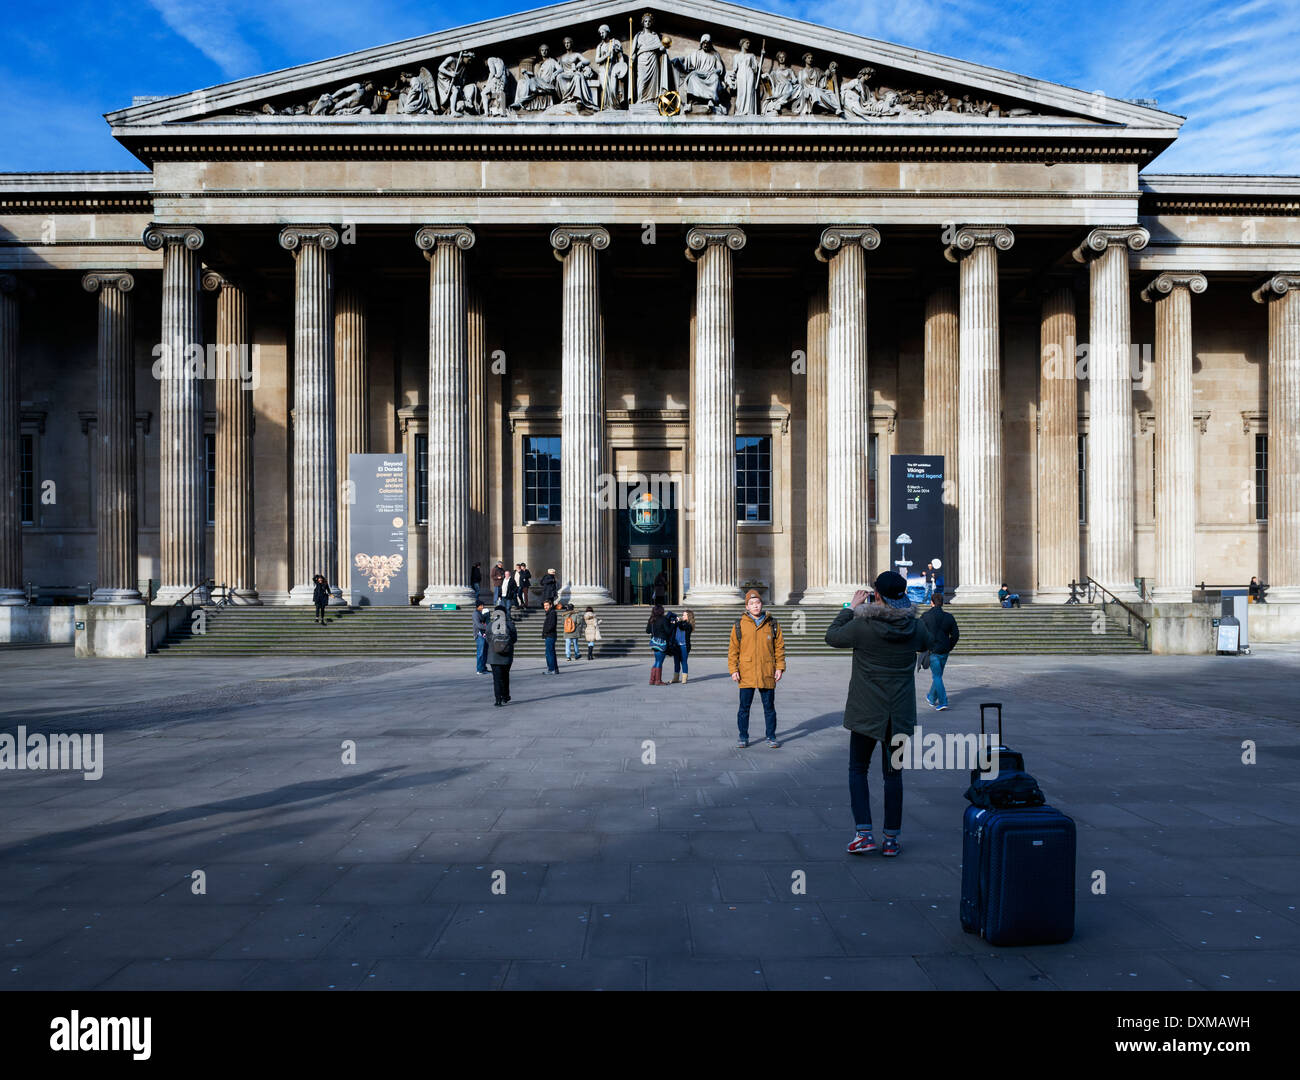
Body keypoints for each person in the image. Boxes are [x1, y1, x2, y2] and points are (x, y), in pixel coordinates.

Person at [825, 571, 931, 858]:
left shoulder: (863, 625)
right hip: (899, 714)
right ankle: (891, 839)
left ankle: (863, 834)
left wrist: (850, 607)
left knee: (858, 770)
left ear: (877, 595)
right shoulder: (915, 627)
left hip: (866, 712)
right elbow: (927, 642)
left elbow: (832, 637)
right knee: (893, 776)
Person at [728, 589, 785, 748]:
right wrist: (733, 669)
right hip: (746, 673)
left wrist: (779, 667)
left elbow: (779, 647)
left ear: (762, 604)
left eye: (758, 602)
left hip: (767, 672)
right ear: (747, 606)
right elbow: (733, 649)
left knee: (769, 708)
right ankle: (743, 736)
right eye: (751, 603)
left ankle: (771, 736)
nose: (755, 606)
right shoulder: (739, 624)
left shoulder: (772, 623)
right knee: (744, 708)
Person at [920, 593, 959, 712]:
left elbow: (920, 633)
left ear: (932, 602)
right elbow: (956, 635)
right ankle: (931, 697)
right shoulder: (949, 617)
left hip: (932, 650)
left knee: (937, 676)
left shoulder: (925, 616)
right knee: (938, 676)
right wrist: (949, 646)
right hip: (944, 650)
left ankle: (943, 702)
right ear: (941, 603)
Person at [486, 603, 518, 706]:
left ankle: (498, 699)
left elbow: (488, 639)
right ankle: (505, 696)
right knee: (505, 676)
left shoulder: (490, 625)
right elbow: (514, 639)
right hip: (506, 656)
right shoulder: (510, 624)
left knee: (496, 678)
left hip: (494, 656)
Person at [646, 603, 673, 685]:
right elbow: (668, 631)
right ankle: (658, 681)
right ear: (661, 611)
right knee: (659, 662)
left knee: (657, 661)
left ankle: (652, 680)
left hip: (654, 643)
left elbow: (647, 631)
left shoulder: (651, 619)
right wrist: (672, 624)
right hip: (661, 643)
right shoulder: (663, 619)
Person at [670, 609, 694, 683]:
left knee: (684, 662)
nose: (682, 616)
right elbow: (673, 629)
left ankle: (684, 679)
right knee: (676, 662)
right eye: (682, 615)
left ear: (688, 616)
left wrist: (678, 622)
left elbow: (682, 627)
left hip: (684, 646)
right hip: (676, 645)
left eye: (684, 615)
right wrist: (673, 623)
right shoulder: (680, 623)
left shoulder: (689, 625)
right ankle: (676, 678)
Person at [541, 599, 559, 675]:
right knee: (551, 653)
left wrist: (546, 632)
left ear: (551, 605)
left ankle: (551, 669)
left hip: (550, 635)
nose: (545, 607)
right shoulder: (550, 613)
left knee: (549, 653)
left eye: (547, 605)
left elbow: (551, 625)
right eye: (544, 606)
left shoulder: (552, 613)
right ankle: (555, 669)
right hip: (550, 635)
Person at [473, 599, 490, 674]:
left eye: (483, 605)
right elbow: (478, 625)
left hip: (484, 634)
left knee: (485, 652)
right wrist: (488, 627)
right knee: (480, 652)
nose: (482, 606)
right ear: (478, 606)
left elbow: (486, 621)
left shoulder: (482, 612)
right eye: (481, 605)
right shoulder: (475, 614)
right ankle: (479, 669)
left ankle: (483, 668)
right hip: (479, 635)